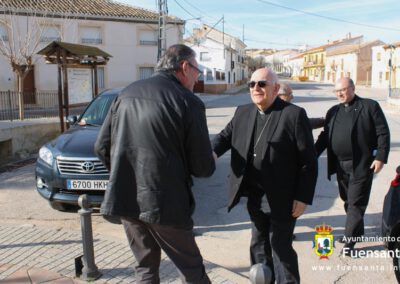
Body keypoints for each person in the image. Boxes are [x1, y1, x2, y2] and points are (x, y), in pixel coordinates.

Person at [95, 44, 215, 283]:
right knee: (192, 271)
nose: (197, 77)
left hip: (127, 200)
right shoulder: (188, 101)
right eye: (197, 71)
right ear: (184, 67)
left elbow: (100, 147)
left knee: (145, 268)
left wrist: (125, 177)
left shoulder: (126, 93)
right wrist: (210, 158)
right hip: (166, 205)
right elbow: (203, 168)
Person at [212, 68, 318, 283]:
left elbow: (309, 161)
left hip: (283, 197)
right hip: (254, 195)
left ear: (276, 88)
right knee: (258, 245)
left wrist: (303, 197)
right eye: (252, 84)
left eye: (262, 84)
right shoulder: (243, 112)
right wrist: (210, 153)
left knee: (280, 248)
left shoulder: (293, 115)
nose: (256, 88)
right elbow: (223, 137)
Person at [315, 77, 390, 256]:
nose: (340, 94)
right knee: (348, 200)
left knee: (356, 202)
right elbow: (325, 136)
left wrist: (380, 157)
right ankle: (356, 232)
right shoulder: (333, 111)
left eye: (343, 89)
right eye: (337, 91)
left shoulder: (369, 106)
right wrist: (311, 154)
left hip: (362, 163)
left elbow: (383, 133)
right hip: (340, 165)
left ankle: (350, 240)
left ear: (353, 88)